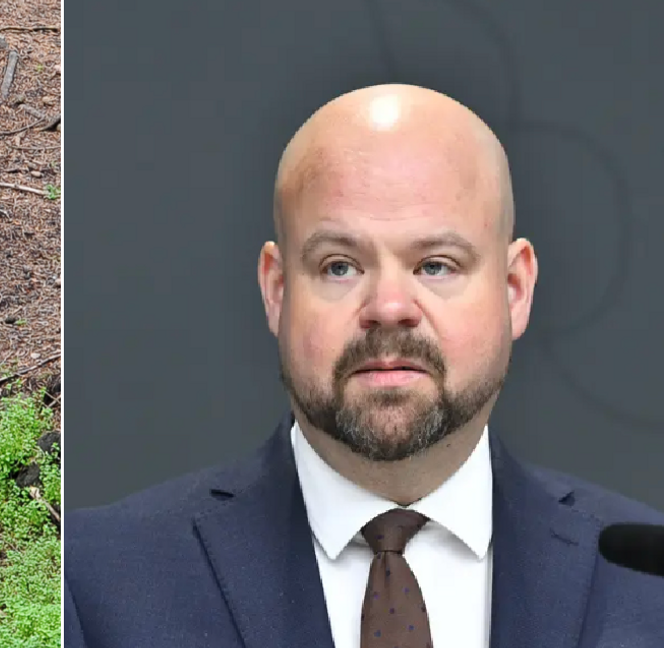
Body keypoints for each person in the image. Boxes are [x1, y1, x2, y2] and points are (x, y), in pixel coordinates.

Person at [64, 83, 664, 648]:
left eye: (436, 264)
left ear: (514, 289)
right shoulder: (92, 580)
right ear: (277, 291)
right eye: (339, 266)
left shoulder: (646, 582)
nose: (389, 308)